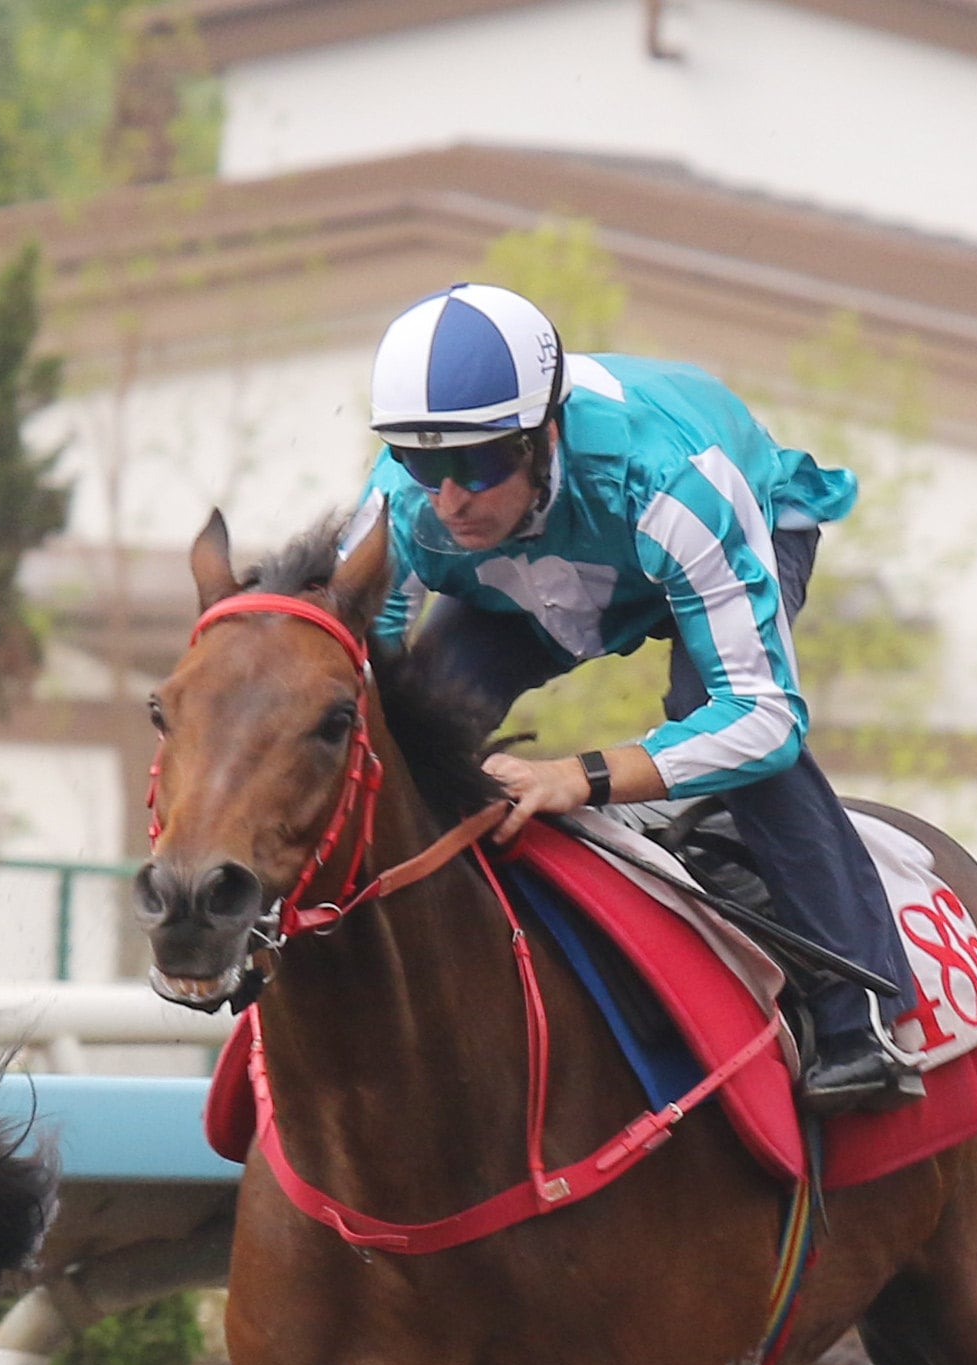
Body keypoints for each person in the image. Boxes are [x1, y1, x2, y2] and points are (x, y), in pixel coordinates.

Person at [346, 284, 925, 1113]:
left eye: (476, 463)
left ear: (545, 433)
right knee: (422, 725)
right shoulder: (401, 504)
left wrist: (580, 775)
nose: (449, 499)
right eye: (422, 462)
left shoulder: (674, 481)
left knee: (719, 717)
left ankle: (855, 1014)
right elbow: (363, 667)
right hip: (532, 568)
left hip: (717, 525)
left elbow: (763, 719)